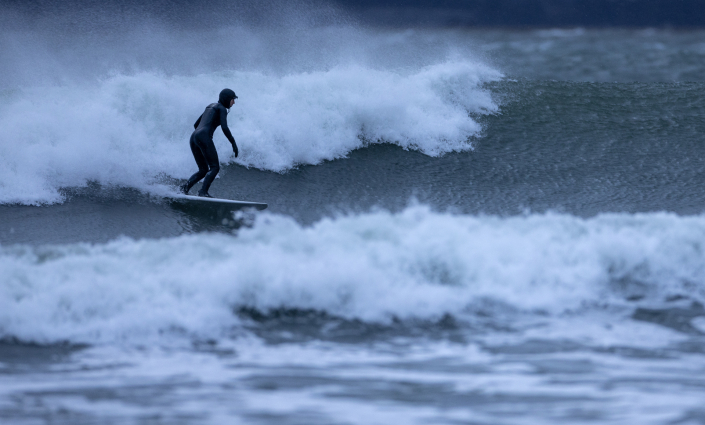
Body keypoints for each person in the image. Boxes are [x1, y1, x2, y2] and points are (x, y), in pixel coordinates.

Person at [180, 88, 239, 197]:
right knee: (214, 167)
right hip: (203, 137)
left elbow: (196, 124)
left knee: (203, 170)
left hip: (193, 137)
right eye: (232, 99)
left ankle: (184, 188)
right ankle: (203, 192)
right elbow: (225, 128)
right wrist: (233, 143)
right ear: (226, 99)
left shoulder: (210, 106)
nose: (233, 102)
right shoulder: (222, 109)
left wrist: (204, 132)